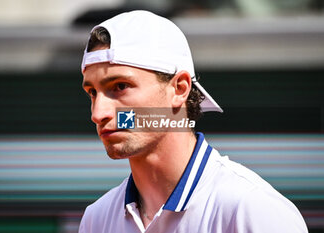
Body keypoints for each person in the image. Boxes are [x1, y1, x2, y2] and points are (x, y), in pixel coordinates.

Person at [78, 10, 308, 233]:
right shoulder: (96, 219)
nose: (98, 113)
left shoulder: (254, 210)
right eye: (92, 92)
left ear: (180, 89)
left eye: (120, 87)